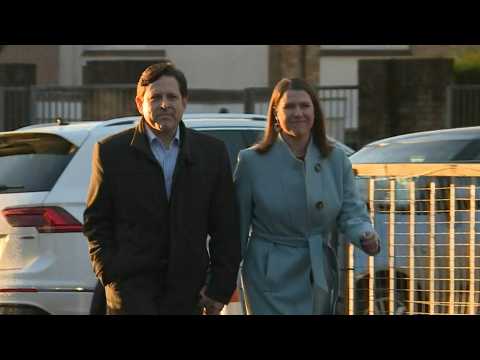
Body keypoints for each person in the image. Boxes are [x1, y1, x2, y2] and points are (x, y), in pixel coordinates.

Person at [83, 60, 241, 315]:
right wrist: (110, 272)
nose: (164, 104)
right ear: (139, 103)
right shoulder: (111, 152)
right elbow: (96, 221)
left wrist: (219, 288)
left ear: (184, 102)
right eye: (156, 97)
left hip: (188, 293)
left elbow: (226, 227)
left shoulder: (211, 153)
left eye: (172, 97)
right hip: (130, 290)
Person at [234, 78, 380, 315]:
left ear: (315, 112)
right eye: (289, 107)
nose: (298, 113)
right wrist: (220, 281)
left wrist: (365, 234)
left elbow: (352, 211)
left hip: (317, 271)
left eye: (305, 106)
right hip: (268, 277)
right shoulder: (251, 162)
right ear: (275, 113)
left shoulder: (336, 159)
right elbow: (237, 227)